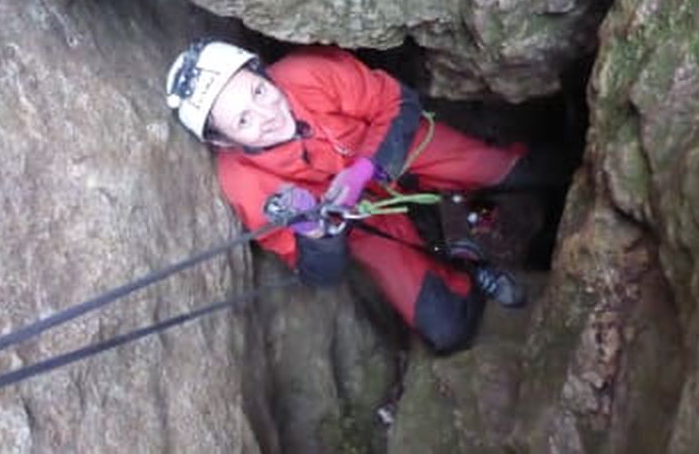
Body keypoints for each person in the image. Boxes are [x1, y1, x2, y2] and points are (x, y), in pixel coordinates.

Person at [166, 39, 534, 354]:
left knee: (523, 171)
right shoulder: (246, 185)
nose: (268, 115)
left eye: (259, 91)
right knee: (447, 330)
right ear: (224, 141)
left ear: (262, 73)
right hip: (360, 221)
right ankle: (468, 264)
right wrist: (316, 235)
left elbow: (397, 101)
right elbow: (321, 275)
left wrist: (365, 168)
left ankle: (472, 199)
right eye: (243, 121)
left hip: (394, 150)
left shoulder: (308, 73)